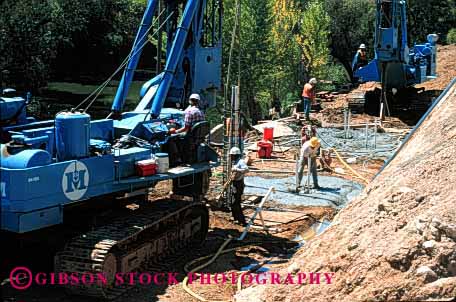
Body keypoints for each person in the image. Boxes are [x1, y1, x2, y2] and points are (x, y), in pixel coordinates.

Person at [229, 147, 249, 225]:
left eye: (232, 155)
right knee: (233, 202)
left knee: (236, 202)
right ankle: (236, 218)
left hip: (239, 184)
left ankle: (242, 220)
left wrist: (236, 170)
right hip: (235, 184)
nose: (231, 157)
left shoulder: (240, 162)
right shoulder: (235, 162)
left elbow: (247, 169)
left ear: (235, 155)